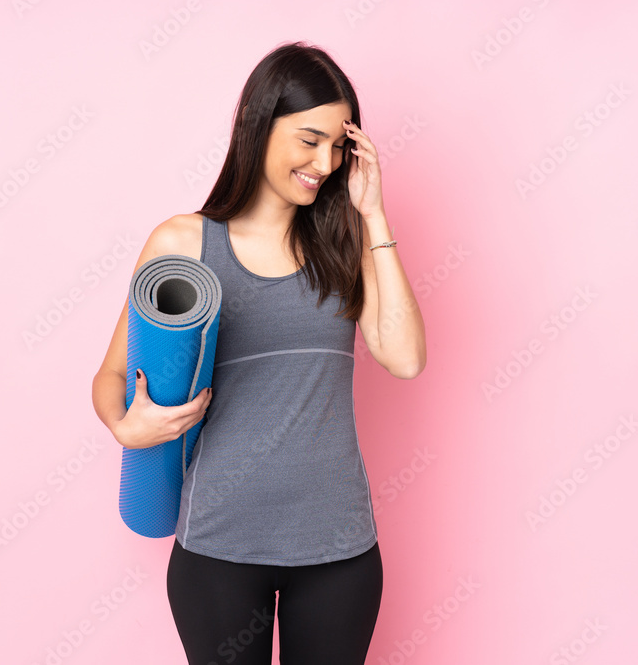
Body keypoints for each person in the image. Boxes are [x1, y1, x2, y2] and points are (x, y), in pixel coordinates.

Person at [91, 41, 426, 665]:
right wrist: (125, 424)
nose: (324, 162)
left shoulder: (344, 242)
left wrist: (373, 214)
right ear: (258, 123)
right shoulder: (183, 240)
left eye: (338, 146)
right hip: (219, 549)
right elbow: (111, 375)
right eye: (309, 139)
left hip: (339, 550)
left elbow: (404, 357)